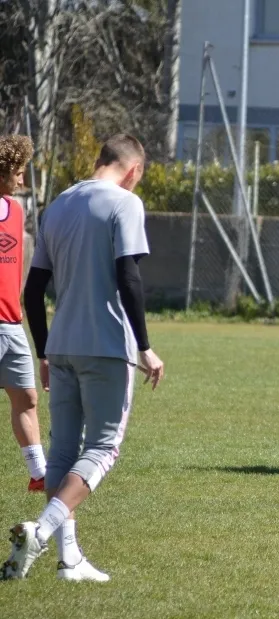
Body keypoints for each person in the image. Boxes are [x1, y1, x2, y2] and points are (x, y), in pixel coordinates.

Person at [2, 134, 165, 582]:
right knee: (103, 448)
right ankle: (41, 532)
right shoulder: (125, 203)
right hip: (106, 345)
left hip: (62, 346)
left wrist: (44, 350)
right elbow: (128, 277)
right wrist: (145, 346)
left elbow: (34, 290)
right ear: (133, 170)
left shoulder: (57, 206)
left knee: (62, 451)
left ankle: (69, 560)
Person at [0, 135, 46, 492]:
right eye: (17, 172)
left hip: (12, 323)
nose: (22, 180)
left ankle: (39, 473)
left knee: (27, 398)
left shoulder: (16, 211)